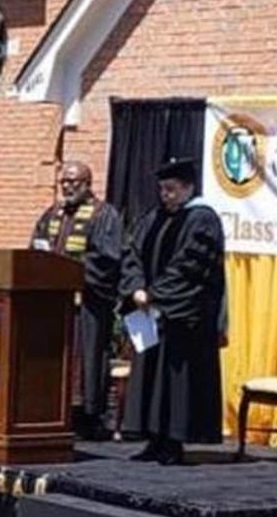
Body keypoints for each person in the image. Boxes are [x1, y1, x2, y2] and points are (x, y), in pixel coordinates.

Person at [119, 158, 227, 465]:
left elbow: (190, 267)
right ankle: (153, 439)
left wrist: (155, 296)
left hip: (182, 318)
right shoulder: (152, 218)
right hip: (149, 312)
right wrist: (136, 288)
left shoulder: (202, 220)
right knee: (150, 376)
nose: (165, 195)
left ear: (188, 188)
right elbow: (132, 256)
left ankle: (174, 442)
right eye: (162, 189)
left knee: (176, 381)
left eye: (171, 189)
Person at [30, 161, 124, 440]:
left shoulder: (104, 215)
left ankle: (88, 418)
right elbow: (36, 245)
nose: (69, 187)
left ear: (87, 183)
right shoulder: (52, 214)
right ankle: (55, 413)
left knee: (87, 360)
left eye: (75, 182)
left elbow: (108, 259)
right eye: (65, 182)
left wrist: (70, 266)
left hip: (88, 305)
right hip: (55, 306)